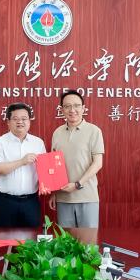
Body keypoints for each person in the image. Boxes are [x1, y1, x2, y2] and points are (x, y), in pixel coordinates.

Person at [50, 90, 104, 228]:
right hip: (63, 198)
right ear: (62, 110)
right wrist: (54, 193)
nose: (72, 110)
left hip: (87, 197)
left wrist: (78, 184)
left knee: (88, 240)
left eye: (76, 105)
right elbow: (54, 166)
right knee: (65, 240)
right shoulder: (57, 133)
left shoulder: (94, 131)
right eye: (67, 106)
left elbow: (97, 163)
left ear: (83, 108)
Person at [0, 102, 46, 227]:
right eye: (15, 119)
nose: (20, 122)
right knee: (5, 237)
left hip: (31, 202)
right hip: (6, 202)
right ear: (8, 122)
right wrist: (22, 162)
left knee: (32, 237)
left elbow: (45, 169)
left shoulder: (38, 143)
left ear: (29, 121)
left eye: (24, 118)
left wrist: (47, 184)